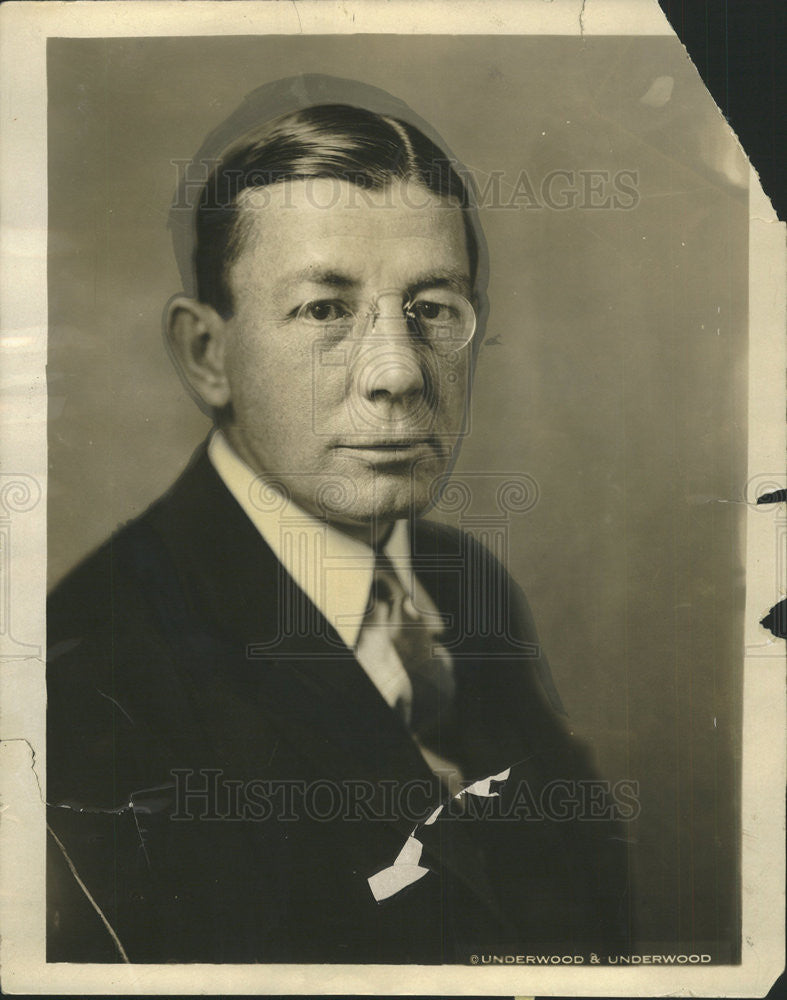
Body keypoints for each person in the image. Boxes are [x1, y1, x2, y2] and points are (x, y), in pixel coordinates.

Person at [46, 87, 631, 963]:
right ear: (208, 355)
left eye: (433, 307)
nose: (397, 372)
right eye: (325, 310)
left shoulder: (466, 587)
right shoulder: (94, 671)